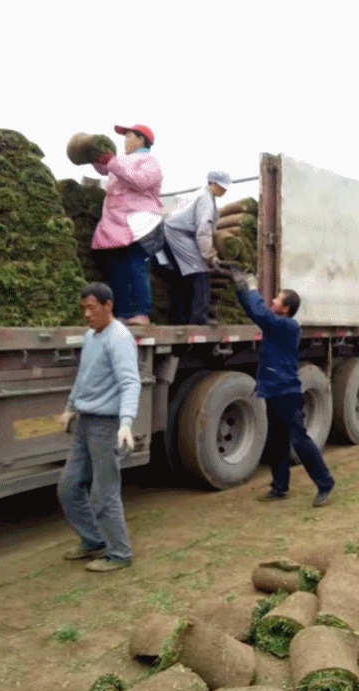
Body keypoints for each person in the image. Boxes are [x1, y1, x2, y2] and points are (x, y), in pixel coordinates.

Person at [228, 267, 335, 506]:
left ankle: (325, 483)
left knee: (299, 440)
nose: (272, 300)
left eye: (276, 298)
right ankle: (280, 486)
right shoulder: (277, 325)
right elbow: (255, 313)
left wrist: (251, 288)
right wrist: (241, 291)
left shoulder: (287, 326)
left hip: (286, 393)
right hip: (273, 391)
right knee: (277, 441)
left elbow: (260, 314)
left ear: (285, 309)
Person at [57, 282, 141, 572]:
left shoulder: (119, 338)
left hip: (106, 425)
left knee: (103, 493)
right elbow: (83, 377)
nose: (87, 314)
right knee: (68, 487)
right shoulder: (92, 336)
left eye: (92, 307)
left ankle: (119, 553)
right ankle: (93, 541)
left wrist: (126, 422)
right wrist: (70, 407)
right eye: (84, 308)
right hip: (85, 421)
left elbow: (130, 382)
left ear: (109, 306)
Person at [91, 123, 163, 326]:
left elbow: (140, 181)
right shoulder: (123, 161)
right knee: (118, 269)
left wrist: (113, 163)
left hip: (138, 222)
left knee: (135, 265)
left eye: (128, 136)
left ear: (141, 139)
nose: (125, 140)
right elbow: (109, 170)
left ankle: (141, 312)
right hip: (117, 223)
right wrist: (96, 158)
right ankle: (122, 312)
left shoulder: (150, 162)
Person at [162, 171, 231, 325]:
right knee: (201, 272)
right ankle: (200, 317)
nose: (224, 191)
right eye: (222, 187)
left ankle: (180, 318)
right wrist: (210, 255)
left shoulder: (202, 196)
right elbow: (203, 230)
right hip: (178, 234)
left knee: (182, 276)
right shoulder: (205, 198)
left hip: (173, 233)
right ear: (213, 183)